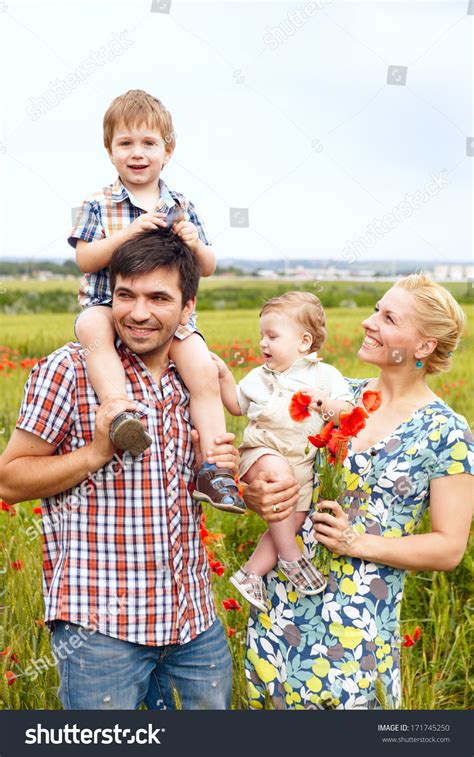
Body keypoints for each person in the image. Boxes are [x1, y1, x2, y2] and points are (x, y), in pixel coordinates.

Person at [0, 231, 240, 710]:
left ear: (188, 308)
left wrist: (234, 472)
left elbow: (212, 475)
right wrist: (96, 452)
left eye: (158, 298)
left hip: (193, 624)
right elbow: (9, 479)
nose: (137, 312)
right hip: (100, 632)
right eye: (125, 295)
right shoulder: (69, 369)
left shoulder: (194, 378)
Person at [242, 275, 473, 709]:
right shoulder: (332, 393)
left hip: (356, 626)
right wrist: (255, 492)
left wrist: (356, 542)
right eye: (374, 309)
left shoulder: (446, 432)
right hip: (280, 608)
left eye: (388, 318)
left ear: (422, 346)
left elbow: (449, 548)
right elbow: (268, 451)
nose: (369, 322)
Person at [68, 88, 244, 512]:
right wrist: (130, 232)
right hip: (108, 305)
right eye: (125, 143)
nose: (137, 153)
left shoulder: (182, 204)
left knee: (201, 369)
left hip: (168, 316)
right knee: (93, 333)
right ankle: (119, 411)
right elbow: (84, 258)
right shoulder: (94, 203)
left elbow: (208, 266)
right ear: (109, 151)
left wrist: (194, 243)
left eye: (148, 143)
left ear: (168, 150)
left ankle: (213, 469)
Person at [212, 292, 354, 612]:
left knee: (291, 523)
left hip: (302, 465)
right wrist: (223, 376)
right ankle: (293, 560)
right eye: (261, 335)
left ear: (304, 342)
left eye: (272, 336)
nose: (263, 343)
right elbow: (236, 405)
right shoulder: (260, 377)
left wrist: (323, 403)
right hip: (264, 452)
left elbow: (346, 412)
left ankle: (251, 574)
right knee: (277, 478)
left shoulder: (326, 376)